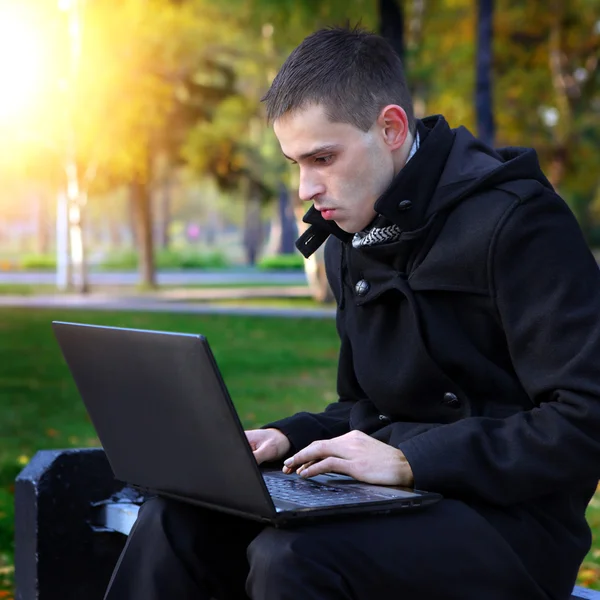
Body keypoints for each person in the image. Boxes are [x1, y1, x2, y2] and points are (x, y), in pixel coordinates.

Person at [104, 26, 600, 600]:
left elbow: (585, 417)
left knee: (292, 555)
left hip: (513, 530)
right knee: (179, 517)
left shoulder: (519, 222)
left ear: (390, 128)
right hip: (392, 500)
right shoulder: (348, 236)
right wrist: (285, 438)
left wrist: (413, 461)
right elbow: (361, 407)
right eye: (295, 162)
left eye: (323, 157)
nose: (306, 188)